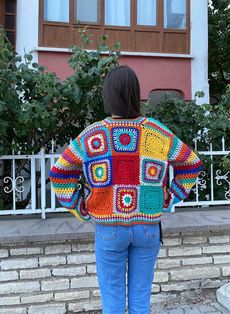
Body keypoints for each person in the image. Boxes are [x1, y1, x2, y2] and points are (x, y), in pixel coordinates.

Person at [49, 65, 203, 314]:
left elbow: (59, 173)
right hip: (148, 228)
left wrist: (81, 207)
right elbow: (191, 163)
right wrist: (169, 198)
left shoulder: (94, 134)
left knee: (112, 304)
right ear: (136, 94)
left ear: (107, 95)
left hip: (109, 229)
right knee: (141, 301)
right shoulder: (156, 132)